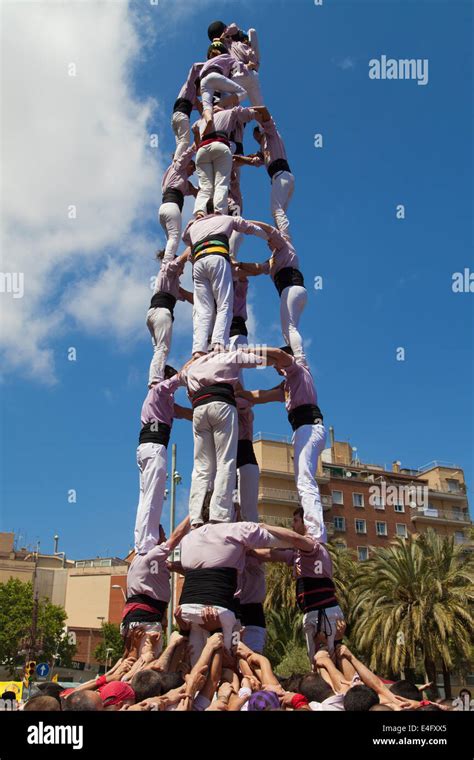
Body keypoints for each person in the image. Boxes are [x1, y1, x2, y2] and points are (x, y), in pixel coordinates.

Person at [177, 520, 313, 661]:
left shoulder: (254, 553)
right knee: (228, 654)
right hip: (234, 607)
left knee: (251, 655)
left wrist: (297, 543)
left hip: (251, 611)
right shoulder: (225, 551)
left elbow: (272, 553)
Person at [238, 346, 325, 536]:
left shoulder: (297, 369)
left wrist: (248, 350)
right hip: (303, 429)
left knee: (304, 480)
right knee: (303, 479)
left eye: (276, 365)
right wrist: (240, 392)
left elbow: (278, 354)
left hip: (309, 426)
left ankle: (316, 532)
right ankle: (315, 529)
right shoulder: (287, 386)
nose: (275, 368)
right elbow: (261, 396)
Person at [181, 348, 267, 527]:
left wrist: (195, 358)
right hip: (221, 406)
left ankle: (196, 515)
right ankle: (219, 513)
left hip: (199, 408)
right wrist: (281, 359)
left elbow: (180, 376)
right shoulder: (229, 356)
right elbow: (259, 359)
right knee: (225, 463)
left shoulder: (196, 365)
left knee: (201, 468)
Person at [254, 507, 345, 663]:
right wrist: (249, 551)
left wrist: (266, 527)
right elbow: (273, 554)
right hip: (313, 613)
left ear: (306, 523)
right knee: (318, 662)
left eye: (296, 521)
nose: (293, 525)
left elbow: (294, 538)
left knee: (328, 661)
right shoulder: (299, 553)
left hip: (324, 612)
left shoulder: (314, 547)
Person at [182, 212, 269, 356]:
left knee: (203, 309)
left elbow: (185, 239)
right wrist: (268, 237)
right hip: (217, 258)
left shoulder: (195, 225)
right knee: (224, 304)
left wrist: (194, 221)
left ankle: (198, 349)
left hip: (198, 264)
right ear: (217, 212)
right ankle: (218, 344)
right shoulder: (226, 218)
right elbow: (249, 227)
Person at [134, 366, 192, 554]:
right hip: (154, 447)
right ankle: (147, 542)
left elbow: (185, 413)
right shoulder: (158, 391)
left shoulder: (165, 403)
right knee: (154, 496)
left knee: (146, 497)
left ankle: (141, 540)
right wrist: (198, 361)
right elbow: (178, 378)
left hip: (147, 449)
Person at [236, 224, 307, 361]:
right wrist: (238, 264)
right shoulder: (273, 259)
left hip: (291, 288)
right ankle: (293, 354)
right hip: (295, 291)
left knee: (289, 329)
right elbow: (257, 269)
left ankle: (300, 358)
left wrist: (244, 222)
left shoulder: (284, 245)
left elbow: (269, 229)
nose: (268, 242)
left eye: (270, 240)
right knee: (289, 330)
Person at [122, 516, 190, 646]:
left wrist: (174, 566)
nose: (165, 538)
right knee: (148, 662)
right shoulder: (152, 556)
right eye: (163, 535)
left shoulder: (140, 560)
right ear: (153, 538)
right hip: (145, 621)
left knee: (132, 660)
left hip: (136, 619)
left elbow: (185, 570)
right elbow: (176, 536)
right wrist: (193, 514)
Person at [192, 104, 260, 217]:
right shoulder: (229, 113)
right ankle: (219, 211)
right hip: (220, 145)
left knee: (205, 187)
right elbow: (247, 114)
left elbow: (194, 129)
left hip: (202, 149)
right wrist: (262, 117)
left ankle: (199, 212)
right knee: (221, 182)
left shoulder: (202, 119)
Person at [236, 108, 294, 238]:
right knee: (279, 213)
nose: (257, 140)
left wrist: (252, 110)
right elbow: (253, 161)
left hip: (281, 174)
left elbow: (265, 116)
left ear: (260, 133)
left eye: (257, 137)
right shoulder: (263, 150)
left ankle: (285, 239)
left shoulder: (271, 134)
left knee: (276, 210)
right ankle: (282, 237)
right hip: (282, 177)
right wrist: (236, 158)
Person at [146, 248, 192, 387]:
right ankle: (155, 381)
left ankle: (157, 377)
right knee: (163, 349)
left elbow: (192, 298)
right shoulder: (168, 269)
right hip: (162, 313)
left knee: (159, 349)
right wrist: (194, 241)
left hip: (152, 314)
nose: (183, 272)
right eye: (182, 269)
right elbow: (182, 258)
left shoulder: (173, 283)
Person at [159, 144, 197, 262]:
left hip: (164, 209)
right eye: (192, 169)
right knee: (174, 237)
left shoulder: (182, 183)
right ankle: (166, 265)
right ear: (188, 164)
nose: (192, 173)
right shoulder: (178, 167)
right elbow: (188, 153)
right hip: (171, 207)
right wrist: (197, 143)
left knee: (171, 240)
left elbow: (196, 192)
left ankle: (168, 260)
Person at [198, 43, 248, 128]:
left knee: (207, 106)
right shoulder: (226, 57)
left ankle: (209, 119)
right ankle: (219, 106)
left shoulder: (206, 63)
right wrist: (246, 69)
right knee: (243, 93)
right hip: (215, 75)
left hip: (203, 81)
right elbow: (238, 65)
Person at [172, 63, 204, 160]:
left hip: (175, 119)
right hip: (182, 115)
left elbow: (200, 107)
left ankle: (176, 162)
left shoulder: (193, 98)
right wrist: (208, 66)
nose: (202, 93)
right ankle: (176, 160)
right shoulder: (191, 87)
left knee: (181, 144)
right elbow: (194, 67)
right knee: (185, 141)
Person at [236, 396, 259, 523]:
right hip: (233, 461)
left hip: (245, 458)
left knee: (249, 515)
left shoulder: (244, 407)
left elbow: (245, 402)